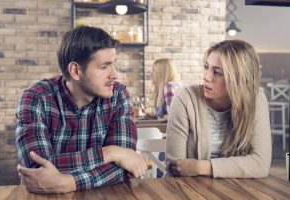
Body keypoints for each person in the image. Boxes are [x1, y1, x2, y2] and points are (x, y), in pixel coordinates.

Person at [15, 26, 147, 194]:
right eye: (104, 67)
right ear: (75, 71)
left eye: (114, 64)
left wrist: (68, 183)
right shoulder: (36, 98)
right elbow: (37, 169)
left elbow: (126, 168)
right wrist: (111, 153)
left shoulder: (118, 95)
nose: (115, 75)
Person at [166, 40, 271, 178]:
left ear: (239, 78)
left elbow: (260, 164)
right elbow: (176, 168)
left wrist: (201, 167)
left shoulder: (255, 99)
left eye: (217, 72)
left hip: (237, 191)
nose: (206, 76)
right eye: (206, 67)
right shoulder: (185, 98)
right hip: (189, 191)